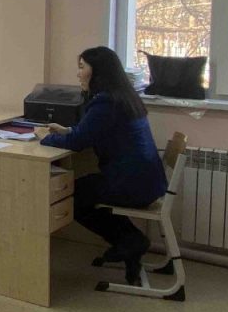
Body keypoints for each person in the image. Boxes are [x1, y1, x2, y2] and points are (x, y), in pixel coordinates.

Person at [35, 46, 166, 284]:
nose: (78, 74)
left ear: (98, 72)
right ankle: (128, 242)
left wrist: (45, 137)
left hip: (132, 185)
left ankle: (130, 241)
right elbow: (91, 132)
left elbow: (77, 143)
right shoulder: (123, 97)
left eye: (82, 67)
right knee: (84, 190)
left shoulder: (105, 102)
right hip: (148, 181)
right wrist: (68, 130)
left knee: (72, 197)